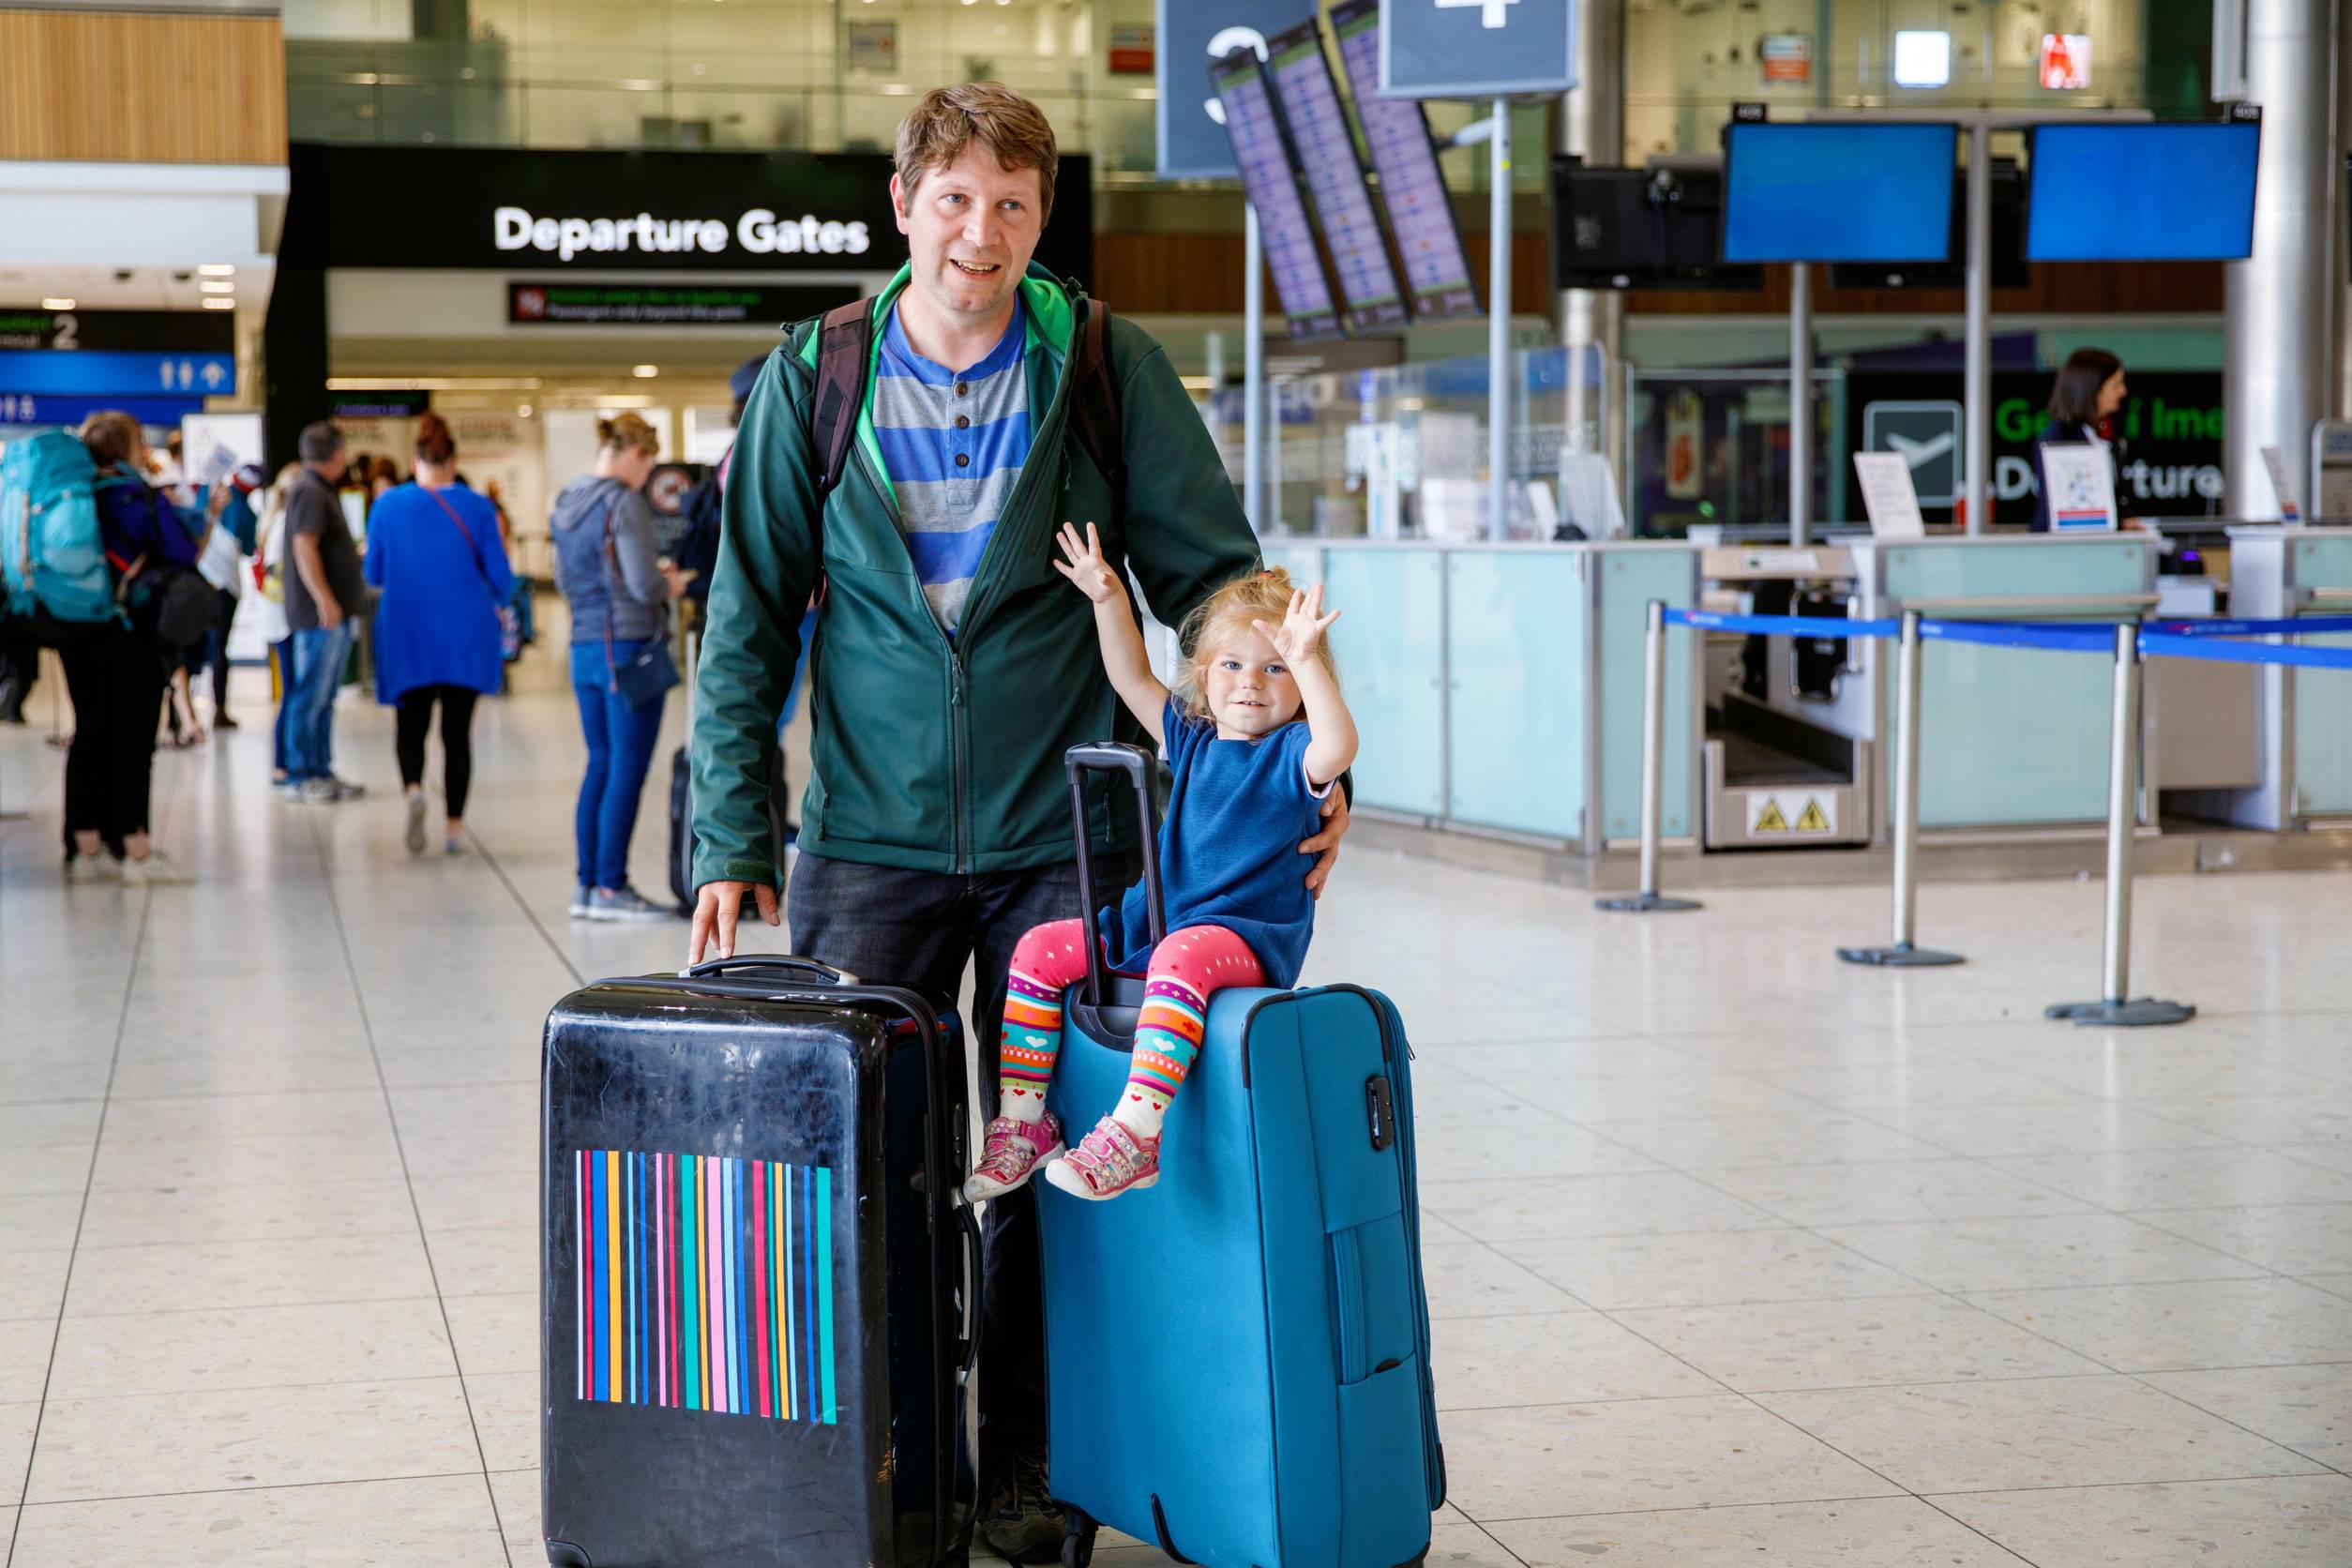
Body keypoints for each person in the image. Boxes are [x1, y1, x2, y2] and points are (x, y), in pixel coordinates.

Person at [683, 83, 1348, 1560]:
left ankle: (1034, 1471)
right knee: (870, 1163)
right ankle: (887, 1456)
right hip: (867, 836)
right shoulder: (814, 378)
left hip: (1077, 832)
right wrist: (730, 833)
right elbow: (745, 617)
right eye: (956, 197)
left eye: (1013, 205)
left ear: (1041, 221)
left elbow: (1225, 593)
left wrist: (1303, 769)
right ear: (902, 202)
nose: (980, 231)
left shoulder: (1104, 364)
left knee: (1052, 1153)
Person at [967, 550, 1355, 1204]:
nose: (1249, 683)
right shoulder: (1195, 737)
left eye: (1274, 669)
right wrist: (1108, 597)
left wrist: (1310, 658)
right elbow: (1129, 676)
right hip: (1165, 923)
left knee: (1179, 953)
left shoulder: (1295, 756)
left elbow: (1338, 746)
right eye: (1231, 665)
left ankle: (1136, 1134)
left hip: (1245, 937)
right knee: (1038, 949)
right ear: (1205, 677)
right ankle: (1025, 1123)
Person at [59, 410, 206, 885]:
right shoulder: (136, 494)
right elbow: (182, 554)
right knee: (133, 738)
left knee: (91, 732)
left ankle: (85, 845)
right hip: (133, 630)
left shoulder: (74, 496)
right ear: (127, 447)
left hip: (78, 628)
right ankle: (135, 848)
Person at [552, 411, 687, 920]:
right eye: (647, 465)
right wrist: (669, 581)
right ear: (636, 454)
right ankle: (612, 887)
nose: (645, 476)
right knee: (627, 768)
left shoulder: (567, 500)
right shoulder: (622, 501)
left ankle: (588, 885)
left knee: (600, 763)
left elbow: (567, 576)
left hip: (584, 645)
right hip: (627, 648)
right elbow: (642, 585)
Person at [364, 412, 517, 855]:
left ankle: (414, 790)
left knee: (409, 725)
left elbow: (373, 572)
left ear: (415, 461)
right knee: (457, 733)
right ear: (453, 460)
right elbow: (503, 582)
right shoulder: (478, 506)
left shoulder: (387, 505)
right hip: (465, 634)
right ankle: (453, 830)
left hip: (407, 630)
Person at [281, 421, 370, 803]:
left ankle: (320, 768)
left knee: (323, 697)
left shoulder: (316, 490)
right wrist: (325, 599)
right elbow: (305, 547)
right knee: (310, 696)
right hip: (320, 616)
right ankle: (302, 773)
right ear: (336, 455)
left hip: (329, 613)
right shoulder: (310, 492)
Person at [2031, 347, 2128, 533]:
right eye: (2115, 385)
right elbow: (2073, 509)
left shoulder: (2106, 434)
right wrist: (2119, 527)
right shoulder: (2057, 439)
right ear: (2092, 389)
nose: (2123, 391)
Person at [249, 462, 303, 791]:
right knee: (293, 694)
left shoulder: (273, 522)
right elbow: (281, 575)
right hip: (287, 619)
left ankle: (286, 762)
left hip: (278, 618)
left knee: (291, 693)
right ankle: (283, 763)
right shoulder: (286, 524)